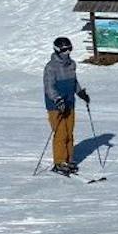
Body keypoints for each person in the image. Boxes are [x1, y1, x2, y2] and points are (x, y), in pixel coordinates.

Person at [43, 37, 90, 174]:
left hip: (70, 103)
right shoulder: (50, 67)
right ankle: (59, 162)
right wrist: (58, 100)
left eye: (70, 49)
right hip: (55, 106)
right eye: (64, 50)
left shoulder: (71, 64)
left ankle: (69, 159)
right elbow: (49, 87)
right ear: (57, 50)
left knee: (69, 132)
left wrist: (80, 93)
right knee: (61, 133)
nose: (67, 52)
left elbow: (74, 82)